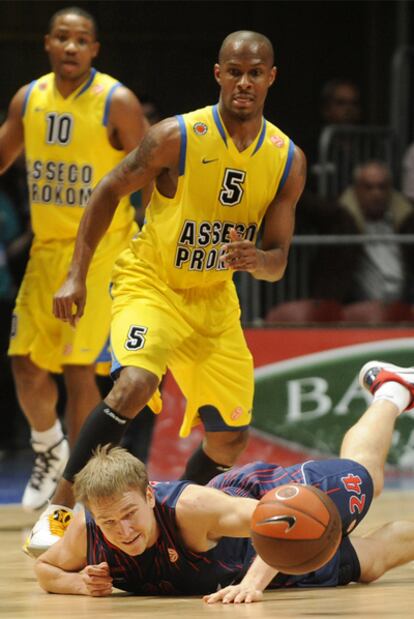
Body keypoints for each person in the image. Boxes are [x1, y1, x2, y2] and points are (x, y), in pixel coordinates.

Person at [25, 29, 306, 554]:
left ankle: (176, 520)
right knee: (132, 383)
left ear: (271, 77)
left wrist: (257, 260)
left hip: (214, 300)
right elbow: (108, 189)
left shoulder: (287, 158)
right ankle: (61, 508)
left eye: (255, 73)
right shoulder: (177, 136)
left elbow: (278, 261)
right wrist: (75, 274)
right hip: (150, 281)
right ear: (218, 74)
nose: (244, 82)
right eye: (234, 71)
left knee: (230, 437)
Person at [33, 359, 414, 601]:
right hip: (262, 567)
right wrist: (78, 584)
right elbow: (45, 569)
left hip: (285, 505)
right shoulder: (90, 532)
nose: (123, 530)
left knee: (369, 478)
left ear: (149, 496)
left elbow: (284, 523)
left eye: (129, 513)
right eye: (109, 522)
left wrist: (252, 585)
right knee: (372, 564)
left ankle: (391, 389)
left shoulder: (193, 509)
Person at [0, 6, 148, 512]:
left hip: (104, 249)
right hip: (47, 249)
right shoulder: (30, 99)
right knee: (23, 363)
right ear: (47, 43)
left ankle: (77, 478)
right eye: (62, 38)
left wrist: (154, 242)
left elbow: (153, 169)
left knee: (79, 368)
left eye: (80, 39)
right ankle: (49, 446)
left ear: (94, 49)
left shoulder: (117, 101)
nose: (70, 47)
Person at [339, 160, 413, 302]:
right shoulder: (344, 222)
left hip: (405, 306)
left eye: (382, 187)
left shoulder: (406, 222)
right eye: (369, 187)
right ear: (357, 190)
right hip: (356, 311)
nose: (376, 193)